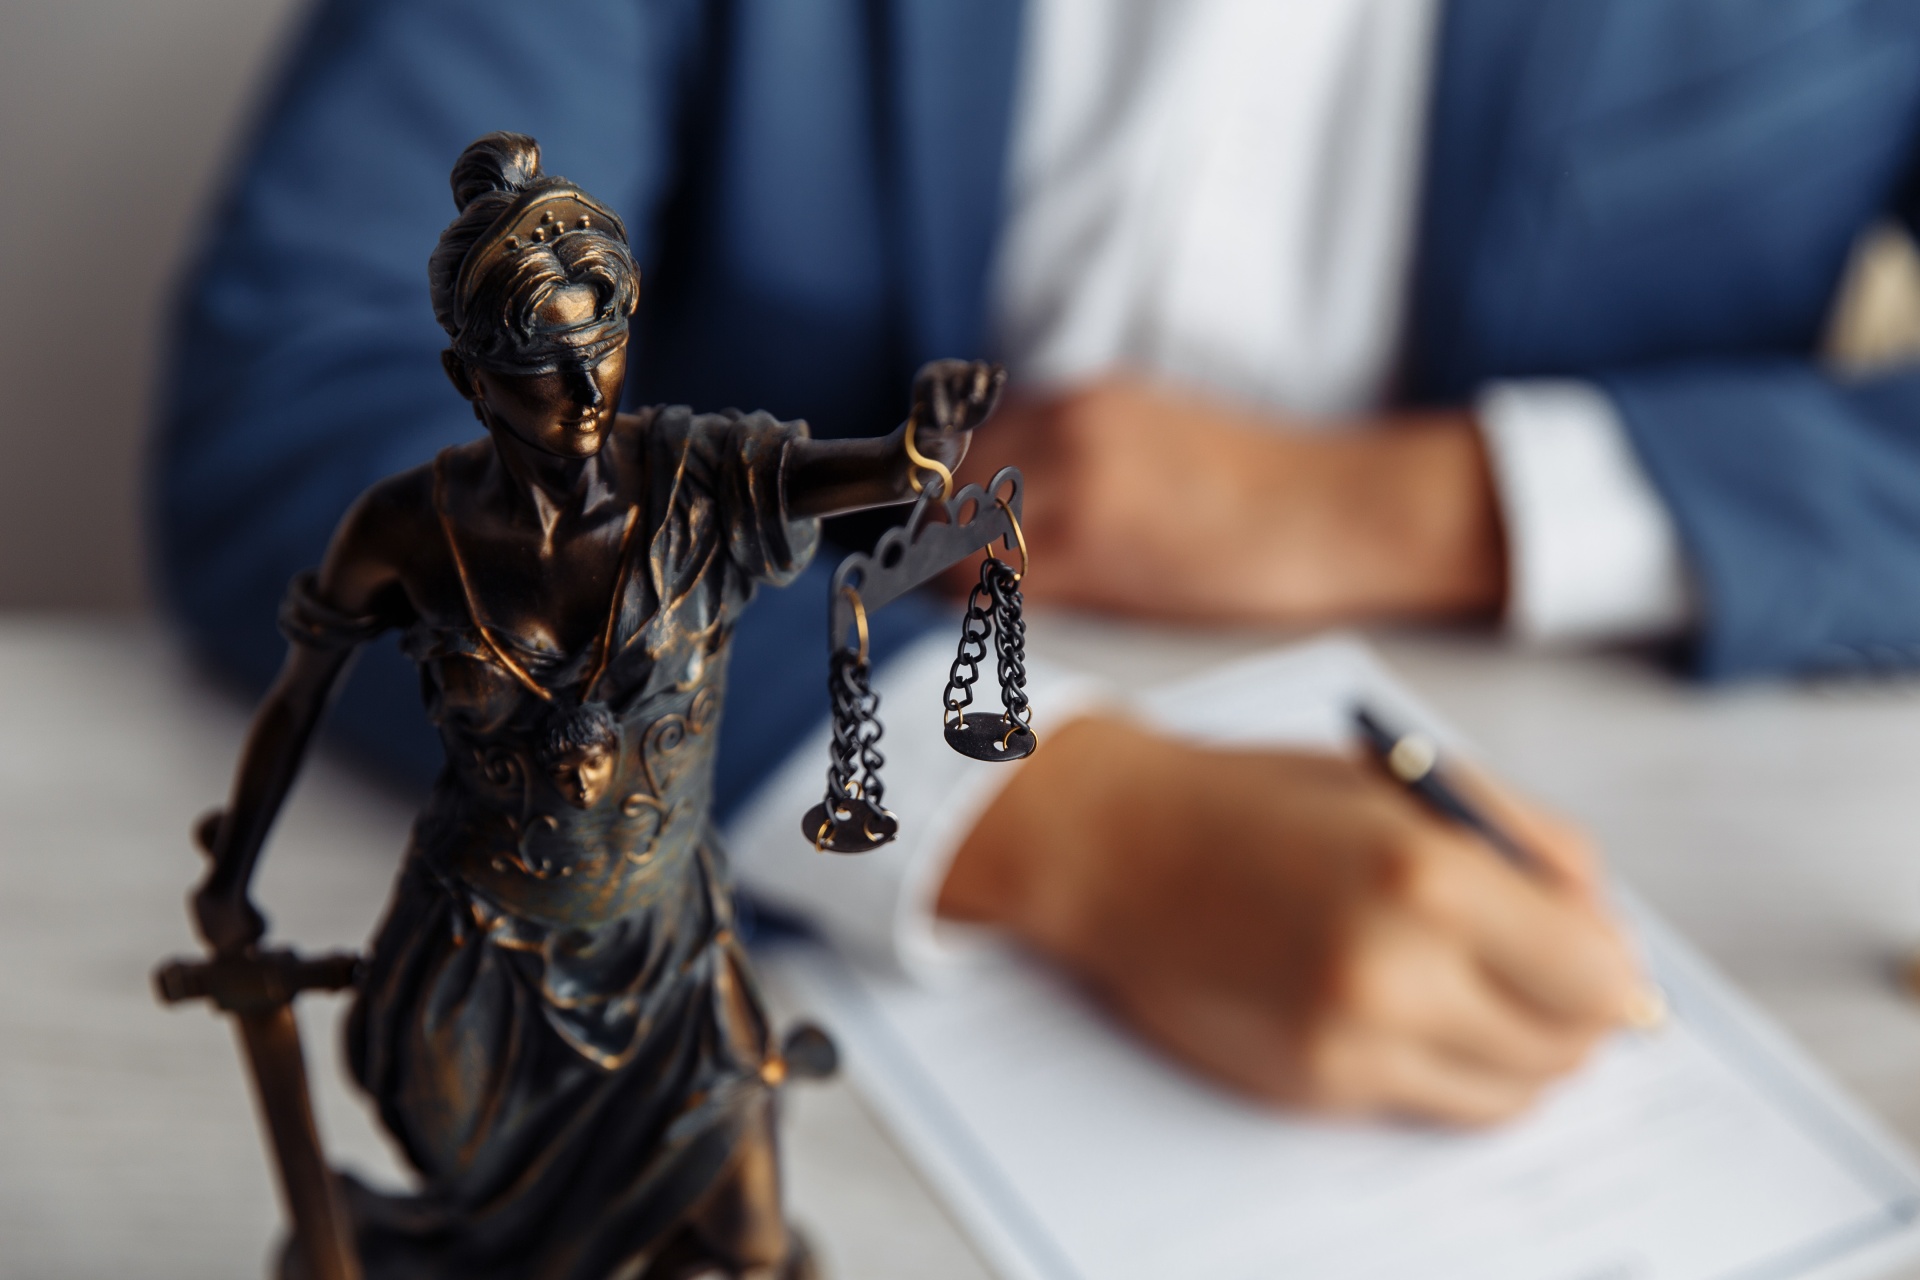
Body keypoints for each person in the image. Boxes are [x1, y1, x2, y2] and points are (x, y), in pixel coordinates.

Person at [160, 0, 1920, 1128]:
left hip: (1642, 803)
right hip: (740, 819)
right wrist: (1044, 814)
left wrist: (1430, 504)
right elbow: (313, 391)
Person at [190, 132, 1000, 1277]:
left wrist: (926, 444)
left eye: (603, 348)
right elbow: (295, 702)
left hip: (665, 944)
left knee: (749, 1241)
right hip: (481, 954)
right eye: (538, 363)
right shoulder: (404, 532)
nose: (582, 391)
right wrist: (229, 880)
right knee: (497, 1234)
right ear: (467, 377)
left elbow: (874, 470)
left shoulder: (702, 481)